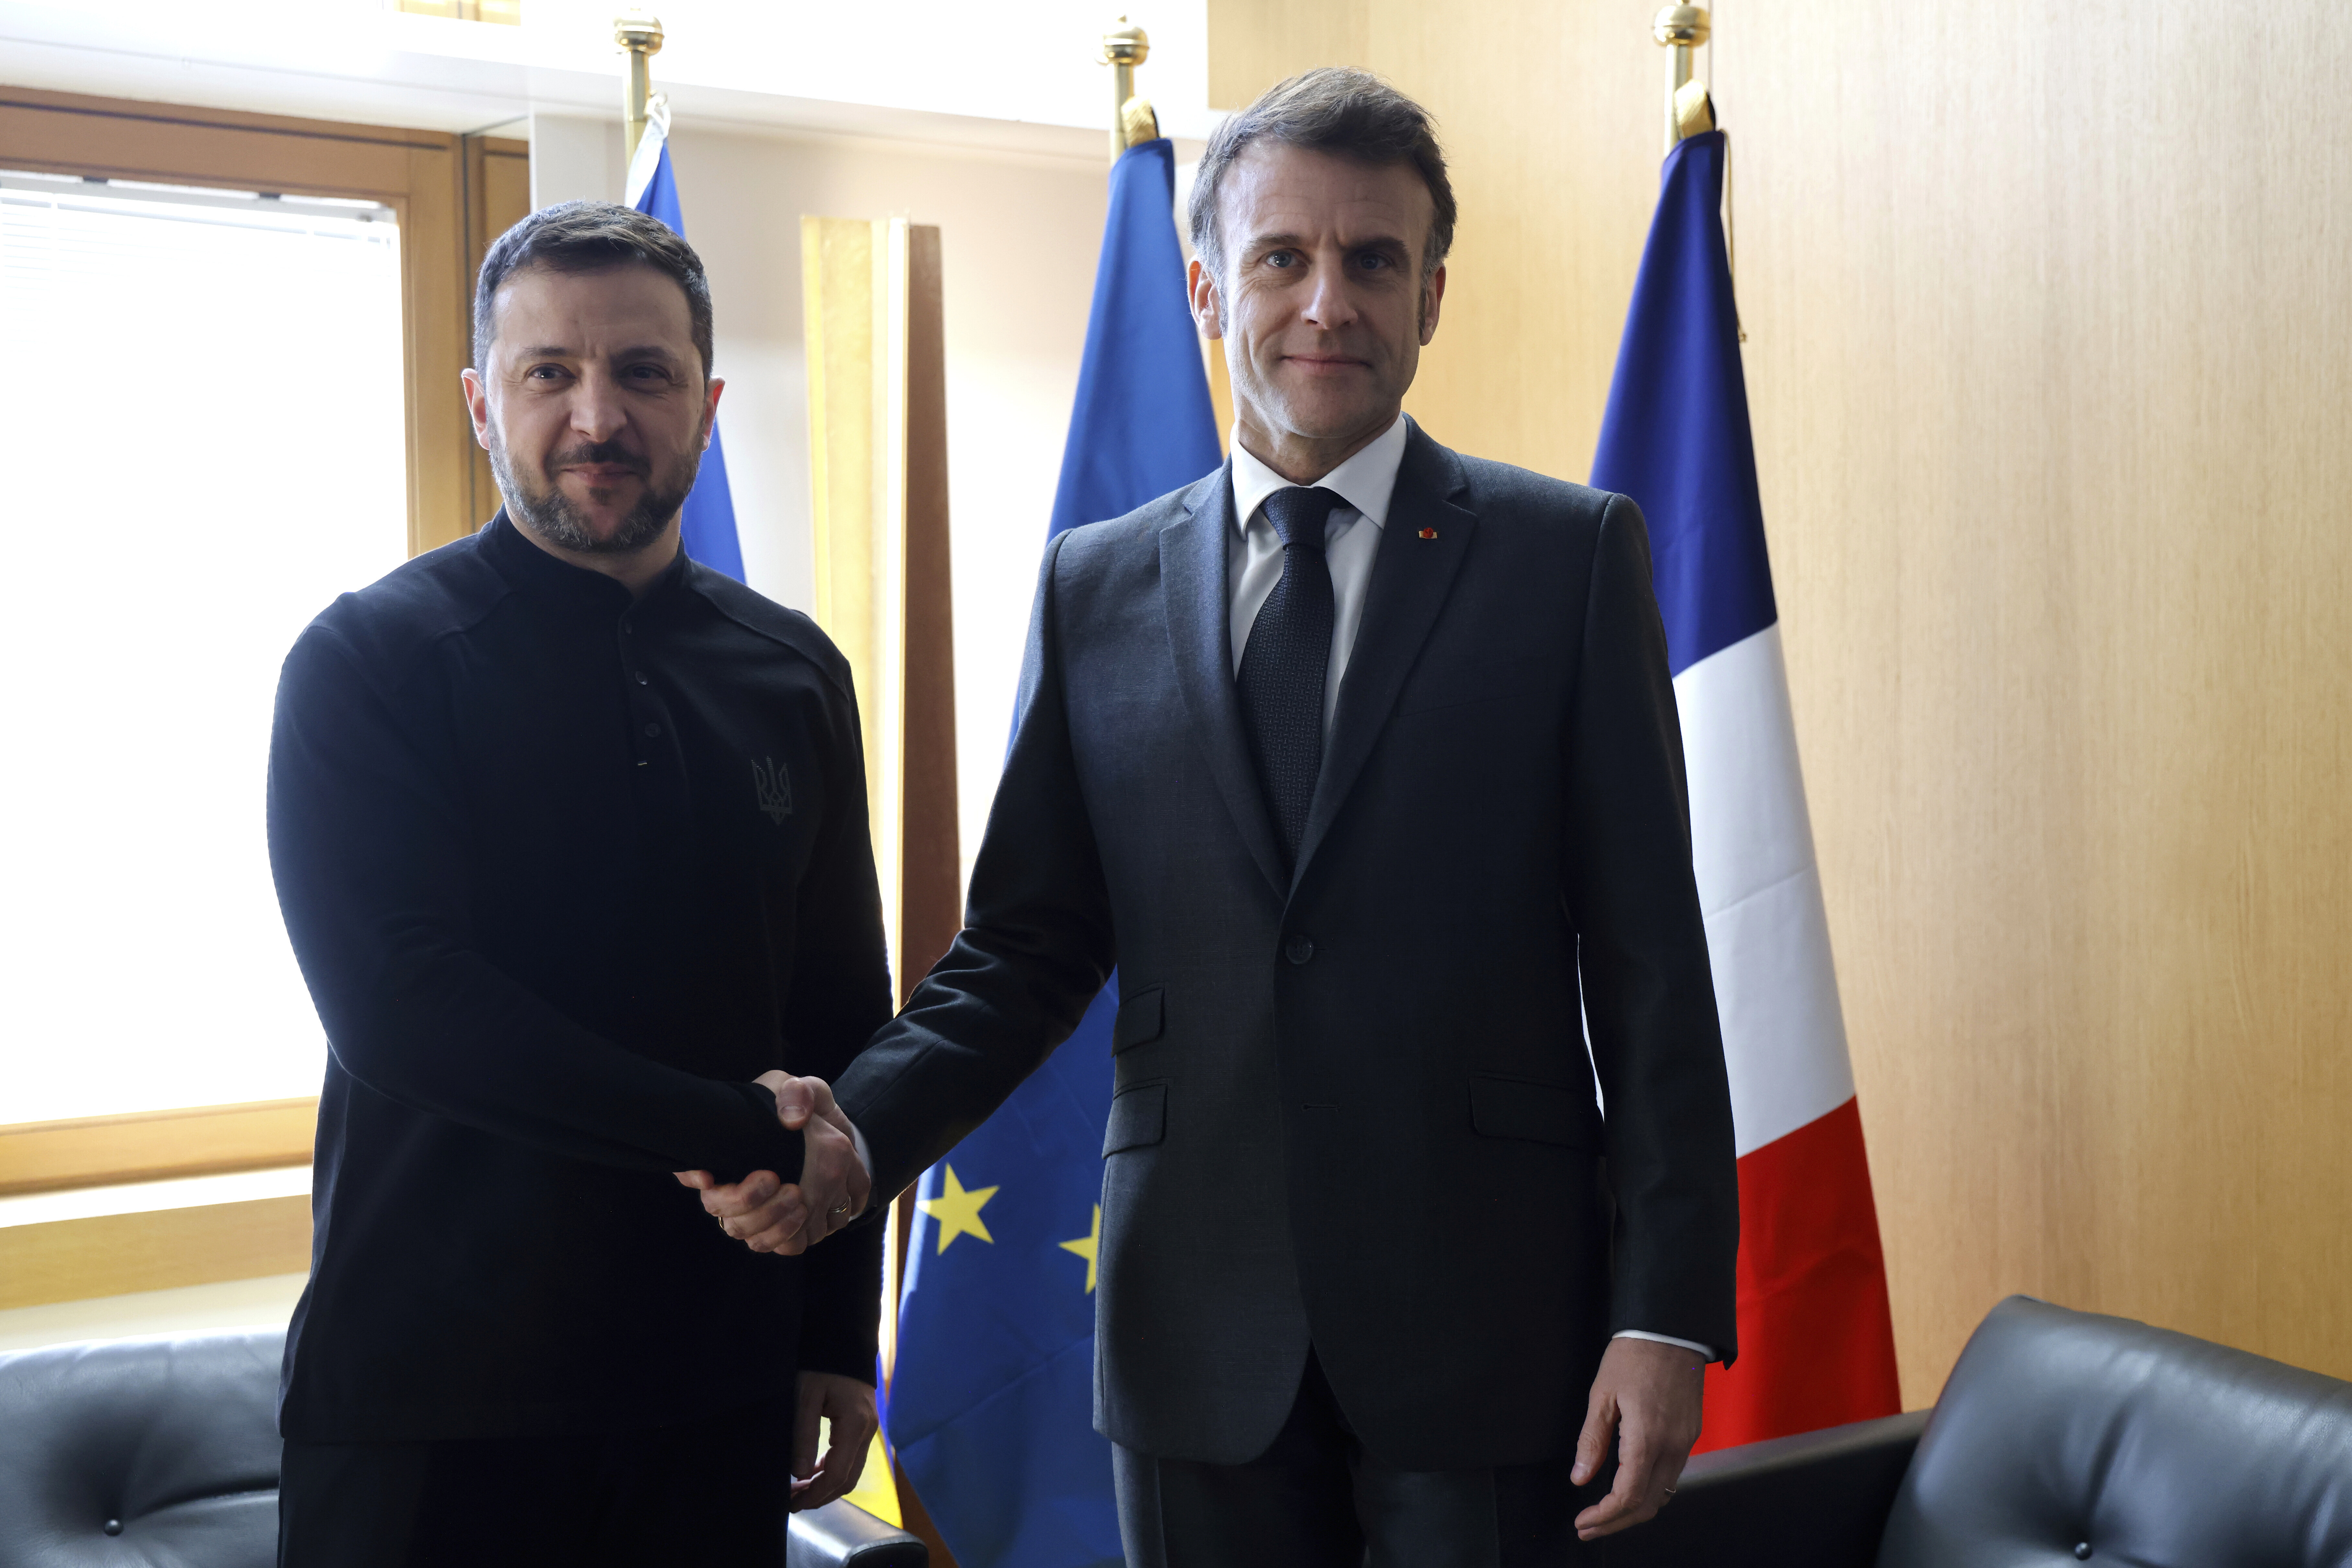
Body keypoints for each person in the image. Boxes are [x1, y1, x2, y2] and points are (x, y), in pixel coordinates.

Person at [699, 68, 1739, 1565]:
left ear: (1431, 294)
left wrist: (1664, 1313)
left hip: (1498, 1337)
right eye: (1282, 258)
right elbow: (1024, 952)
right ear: (1205, 285)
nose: (1330, 300)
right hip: (1196, 1335)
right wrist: (856, 1127)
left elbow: (1651, 967)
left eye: (1374, 259)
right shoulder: (1095, 583)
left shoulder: (1565, 562)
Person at [265, 201, 884, 1567]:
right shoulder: (368, 663)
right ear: (483, 401)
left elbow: (840, 1016)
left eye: (644, 373)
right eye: (550, 372)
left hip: (711, 1394)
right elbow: (404, 1006)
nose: (598, 415)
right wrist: (742, 1130)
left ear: (707, 403)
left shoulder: (794, 673)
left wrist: (837, 1328)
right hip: (433, 1402)